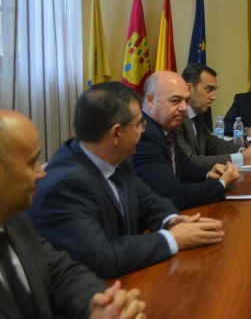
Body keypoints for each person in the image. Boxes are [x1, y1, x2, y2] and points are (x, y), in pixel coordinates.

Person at [27, 82, 226, 280]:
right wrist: (172, 238)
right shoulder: (66, 185)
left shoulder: (117, 159)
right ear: (116, 133)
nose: (143, 130)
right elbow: (102, 257)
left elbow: (151, 200)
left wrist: (173, 221)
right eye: (139, 124)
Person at [0, 109, 147, 318]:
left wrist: (104, 303)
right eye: (32, 163)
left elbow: (60, 272)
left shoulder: (14, 218)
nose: (42, 172)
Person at [133, 71, 240, 210]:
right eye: (175, 100)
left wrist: (209, 174)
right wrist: (221, 185)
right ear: (150, 100)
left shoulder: (166, 126)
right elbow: (173, 195)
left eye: (187, 100)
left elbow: (185, 166)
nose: (184, 108)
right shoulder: (144, 134)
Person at [177, 63, 251, 170]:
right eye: (208, 89)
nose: (214, 97)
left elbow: (213, 144)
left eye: (214, 90)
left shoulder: (197, 116)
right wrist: (242, 158)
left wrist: (244, 150)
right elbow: (191, 161)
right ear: (189, 89)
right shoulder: (176, 119)